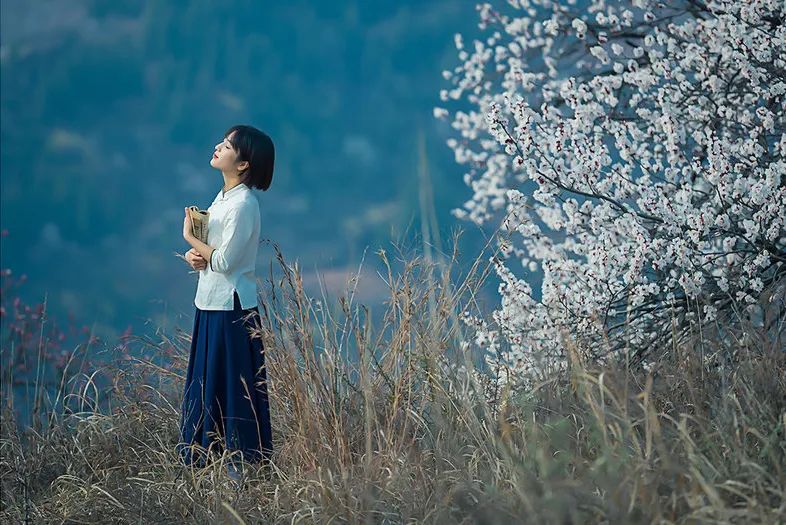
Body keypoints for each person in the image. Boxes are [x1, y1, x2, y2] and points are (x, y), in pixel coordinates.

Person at [177, 124, 275, 481]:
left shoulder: (244, 204)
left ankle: (241, 471)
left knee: (232, 389)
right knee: (209, 383)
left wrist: (190, 236)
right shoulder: (223, 198)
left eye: (228, 145)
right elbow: (212, 255)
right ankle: (206, 465)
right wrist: (194, 255)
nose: (218, 146)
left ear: (244, 163)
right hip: (210, 303)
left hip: (231, 309)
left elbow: (224, 262)